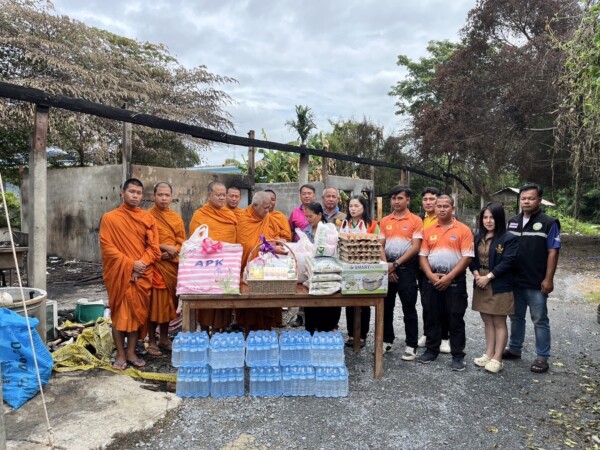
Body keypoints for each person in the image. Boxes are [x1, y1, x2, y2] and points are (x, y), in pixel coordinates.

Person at [99, 178, 162, 370]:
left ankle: (132, 352)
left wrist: (140, 264)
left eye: (139, 193)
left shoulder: (147, 218)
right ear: (122, 193)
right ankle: (120, 354)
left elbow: (154, 248)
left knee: (136, 315)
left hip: (141, 273)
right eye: (131, 191)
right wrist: (130, 265)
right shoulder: (110, 218)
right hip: (120, 274)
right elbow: (107, 247)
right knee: (120, 314)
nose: (135, 196)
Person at [503, 183, 560, 374]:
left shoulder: (549, 223)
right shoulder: (512, 222)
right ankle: (514, 348)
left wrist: (548, 279)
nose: (526, 201)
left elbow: (553, 252)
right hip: (514, 280)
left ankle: (542, 356)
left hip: (536, 282)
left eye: (531, 198)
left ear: (539, 200)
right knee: (515, 317)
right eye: (523, 198)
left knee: (539, 319)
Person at [417, 195, 474, 371]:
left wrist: (449, 277)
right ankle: (431, 350)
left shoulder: (464, 230)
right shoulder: (428, 230)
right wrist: (430, 275)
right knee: (431, 315)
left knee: (455, 317)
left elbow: (467, 257)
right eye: (439, 206)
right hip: (431, 281)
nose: (441, 209)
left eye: (445, 206)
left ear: (453, 209)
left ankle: (457, 355)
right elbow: (423, 256)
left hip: (455, 282)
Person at [470, 202, 518, 373]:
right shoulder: (477, 236)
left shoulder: (509, 238)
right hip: (480, 281)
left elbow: (508, 261)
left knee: (498, 321)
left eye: (492, 217)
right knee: (487, 320)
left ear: (499, 218)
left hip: (498, 283)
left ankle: (498, 358)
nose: (488, 221)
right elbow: (471, 257)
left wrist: (488, 277)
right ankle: (489, 353)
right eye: (485, 217)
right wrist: (476, 274)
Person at [379, 186, 423, 360]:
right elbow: (380, 245)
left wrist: (396, 264)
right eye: (393, 198)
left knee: (409, 307)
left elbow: (416, 247)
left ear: (408, 200)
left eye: (400, 198)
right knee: (386, 307)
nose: (396, 201)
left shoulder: (415, 220)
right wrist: (387, 266)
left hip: (407, 270)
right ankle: (386, 340)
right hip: (387, 269)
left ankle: (411, 345)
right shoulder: (385, 220)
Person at [189, 181, 237, 331]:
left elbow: (234, 239)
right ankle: (204, 331)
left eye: (224, 195)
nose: (222, 198)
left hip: (225, 265)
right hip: (206, 265)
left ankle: (219, 332)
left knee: (223, 298)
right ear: (209, 195)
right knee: (206, 299)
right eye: (218, 195)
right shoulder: (200, 214)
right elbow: (195, 240)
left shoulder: (229, 214)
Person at [236, 191, 287, 331]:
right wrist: (272, 247)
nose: (268, 210)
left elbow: (273, 236)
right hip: (250, 270)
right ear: (255, 206)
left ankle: (267, 333)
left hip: (269, 270)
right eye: (265, 207)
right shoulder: (244, 219)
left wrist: (278, 241)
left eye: (269, 207)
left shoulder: (268, 217)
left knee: (268, 303)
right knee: (250, 308)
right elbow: (248, 246)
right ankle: (249, 333)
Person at [146, 182, 186, 357]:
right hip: (155, 266)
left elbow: (182, 241)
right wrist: (162, 248)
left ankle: (164, 338)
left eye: (167, 195)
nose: (163, 198)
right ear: (153, 196)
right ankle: (152, 340)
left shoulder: (176, 218)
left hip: (171, 265)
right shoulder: (147, 216)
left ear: (172, 197)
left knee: (169, 304)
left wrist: (173, 251)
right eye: (160, 195)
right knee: (154, 304)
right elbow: (144, 241)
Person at [417, 187, 450, 354]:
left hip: (442, 268)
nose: (428, 202)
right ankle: (428, 333)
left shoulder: (445, 219)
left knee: (444, 304)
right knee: (427, 303)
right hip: (423, 267)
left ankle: (444, 337)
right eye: (425, 199)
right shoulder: (419, 220)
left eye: (432, 199)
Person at [344, 195, 379, 348]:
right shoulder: (344, 223)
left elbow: (378, 243)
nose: (353, 209)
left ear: (364, 208)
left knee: (364, 302)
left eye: (356, 206)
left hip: (366, 267)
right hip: (348, 267)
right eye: (351, 206)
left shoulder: (372, 224)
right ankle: (351, 334)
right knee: (349, 301)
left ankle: (363, 334)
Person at [303, 202, 341, 333]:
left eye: (311, 216)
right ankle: (312, 331)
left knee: (328, 302)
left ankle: (328, 330)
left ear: (320, 215)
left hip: (327, 271)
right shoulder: (306, 230)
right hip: (312, 273)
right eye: (306, 217)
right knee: (311, 303)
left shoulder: (329, 230)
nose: (308, 219)